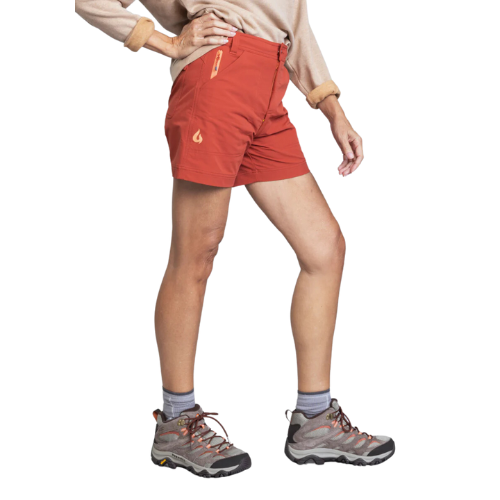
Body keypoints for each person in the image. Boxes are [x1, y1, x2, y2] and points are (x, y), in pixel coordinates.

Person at [75, 0, 395, 477]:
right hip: (218, 77)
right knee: (196, 254)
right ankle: (176, 423)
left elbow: (294, 23)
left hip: (269, 86)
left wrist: (333, 109)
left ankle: (314, 420)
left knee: (324, 248)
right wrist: (167, 42)